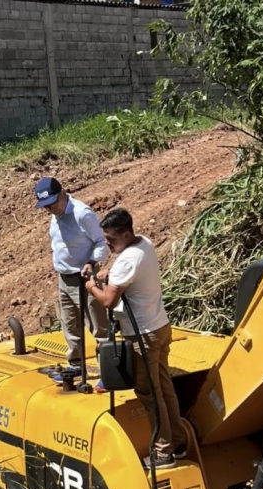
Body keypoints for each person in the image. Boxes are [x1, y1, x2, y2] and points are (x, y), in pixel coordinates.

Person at [85, 207, 187, 470]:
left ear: (126, 234)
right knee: (164, 388)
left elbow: (108, 300)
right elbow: (122, 269)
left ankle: (163, 453)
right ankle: (178, 441)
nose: (107, 244)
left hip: (142, 336)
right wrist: (109, 272)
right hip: (160, 328)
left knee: (150, 394)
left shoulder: (127, 261)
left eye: (111, 239)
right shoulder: (144, 243)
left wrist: (92, 286)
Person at [35, 177, 109, 368]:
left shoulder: (82, 214)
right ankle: (76, 364)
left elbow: (101, 242)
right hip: (64, 277)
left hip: (84, 277)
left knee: (96, 324)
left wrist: (92, 262)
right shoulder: (54, 214)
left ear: (63, 193)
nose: (50, 210)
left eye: (52, 204)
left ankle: (108, 367)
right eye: (46, 207)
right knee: (69, 324)